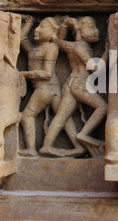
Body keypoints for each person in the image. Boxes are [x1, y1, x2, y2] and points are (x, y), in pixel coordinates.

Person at [40, 16, 107, 157]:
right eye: (91, 27)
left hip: (70, 84)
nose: (96, 32)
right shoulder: (80, 47)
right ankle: (83, 134)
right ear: (81, 31)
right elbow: (95, 69)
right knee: (102, 107)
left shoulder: (72, 46)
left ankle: (46, 146)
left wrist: (64, 27)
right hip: (80, 84)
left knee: (61, 116)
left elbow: (57, 42)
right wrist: (107, 52)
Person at [19, 16, 81, 157]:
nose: (37, 30)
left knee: (27, 115)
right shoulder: (33, 50)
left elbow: (47, 74)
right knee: (63, 116)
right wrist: (28, 23)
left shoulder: (51, 48)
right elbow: (20, 39)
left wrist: (24, 74)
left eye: (42, 27)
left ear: (53, 33)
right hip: (52, 89)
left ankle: (30, 149)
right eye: (38, 26)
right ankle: (79, 146)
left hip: (45, 87)